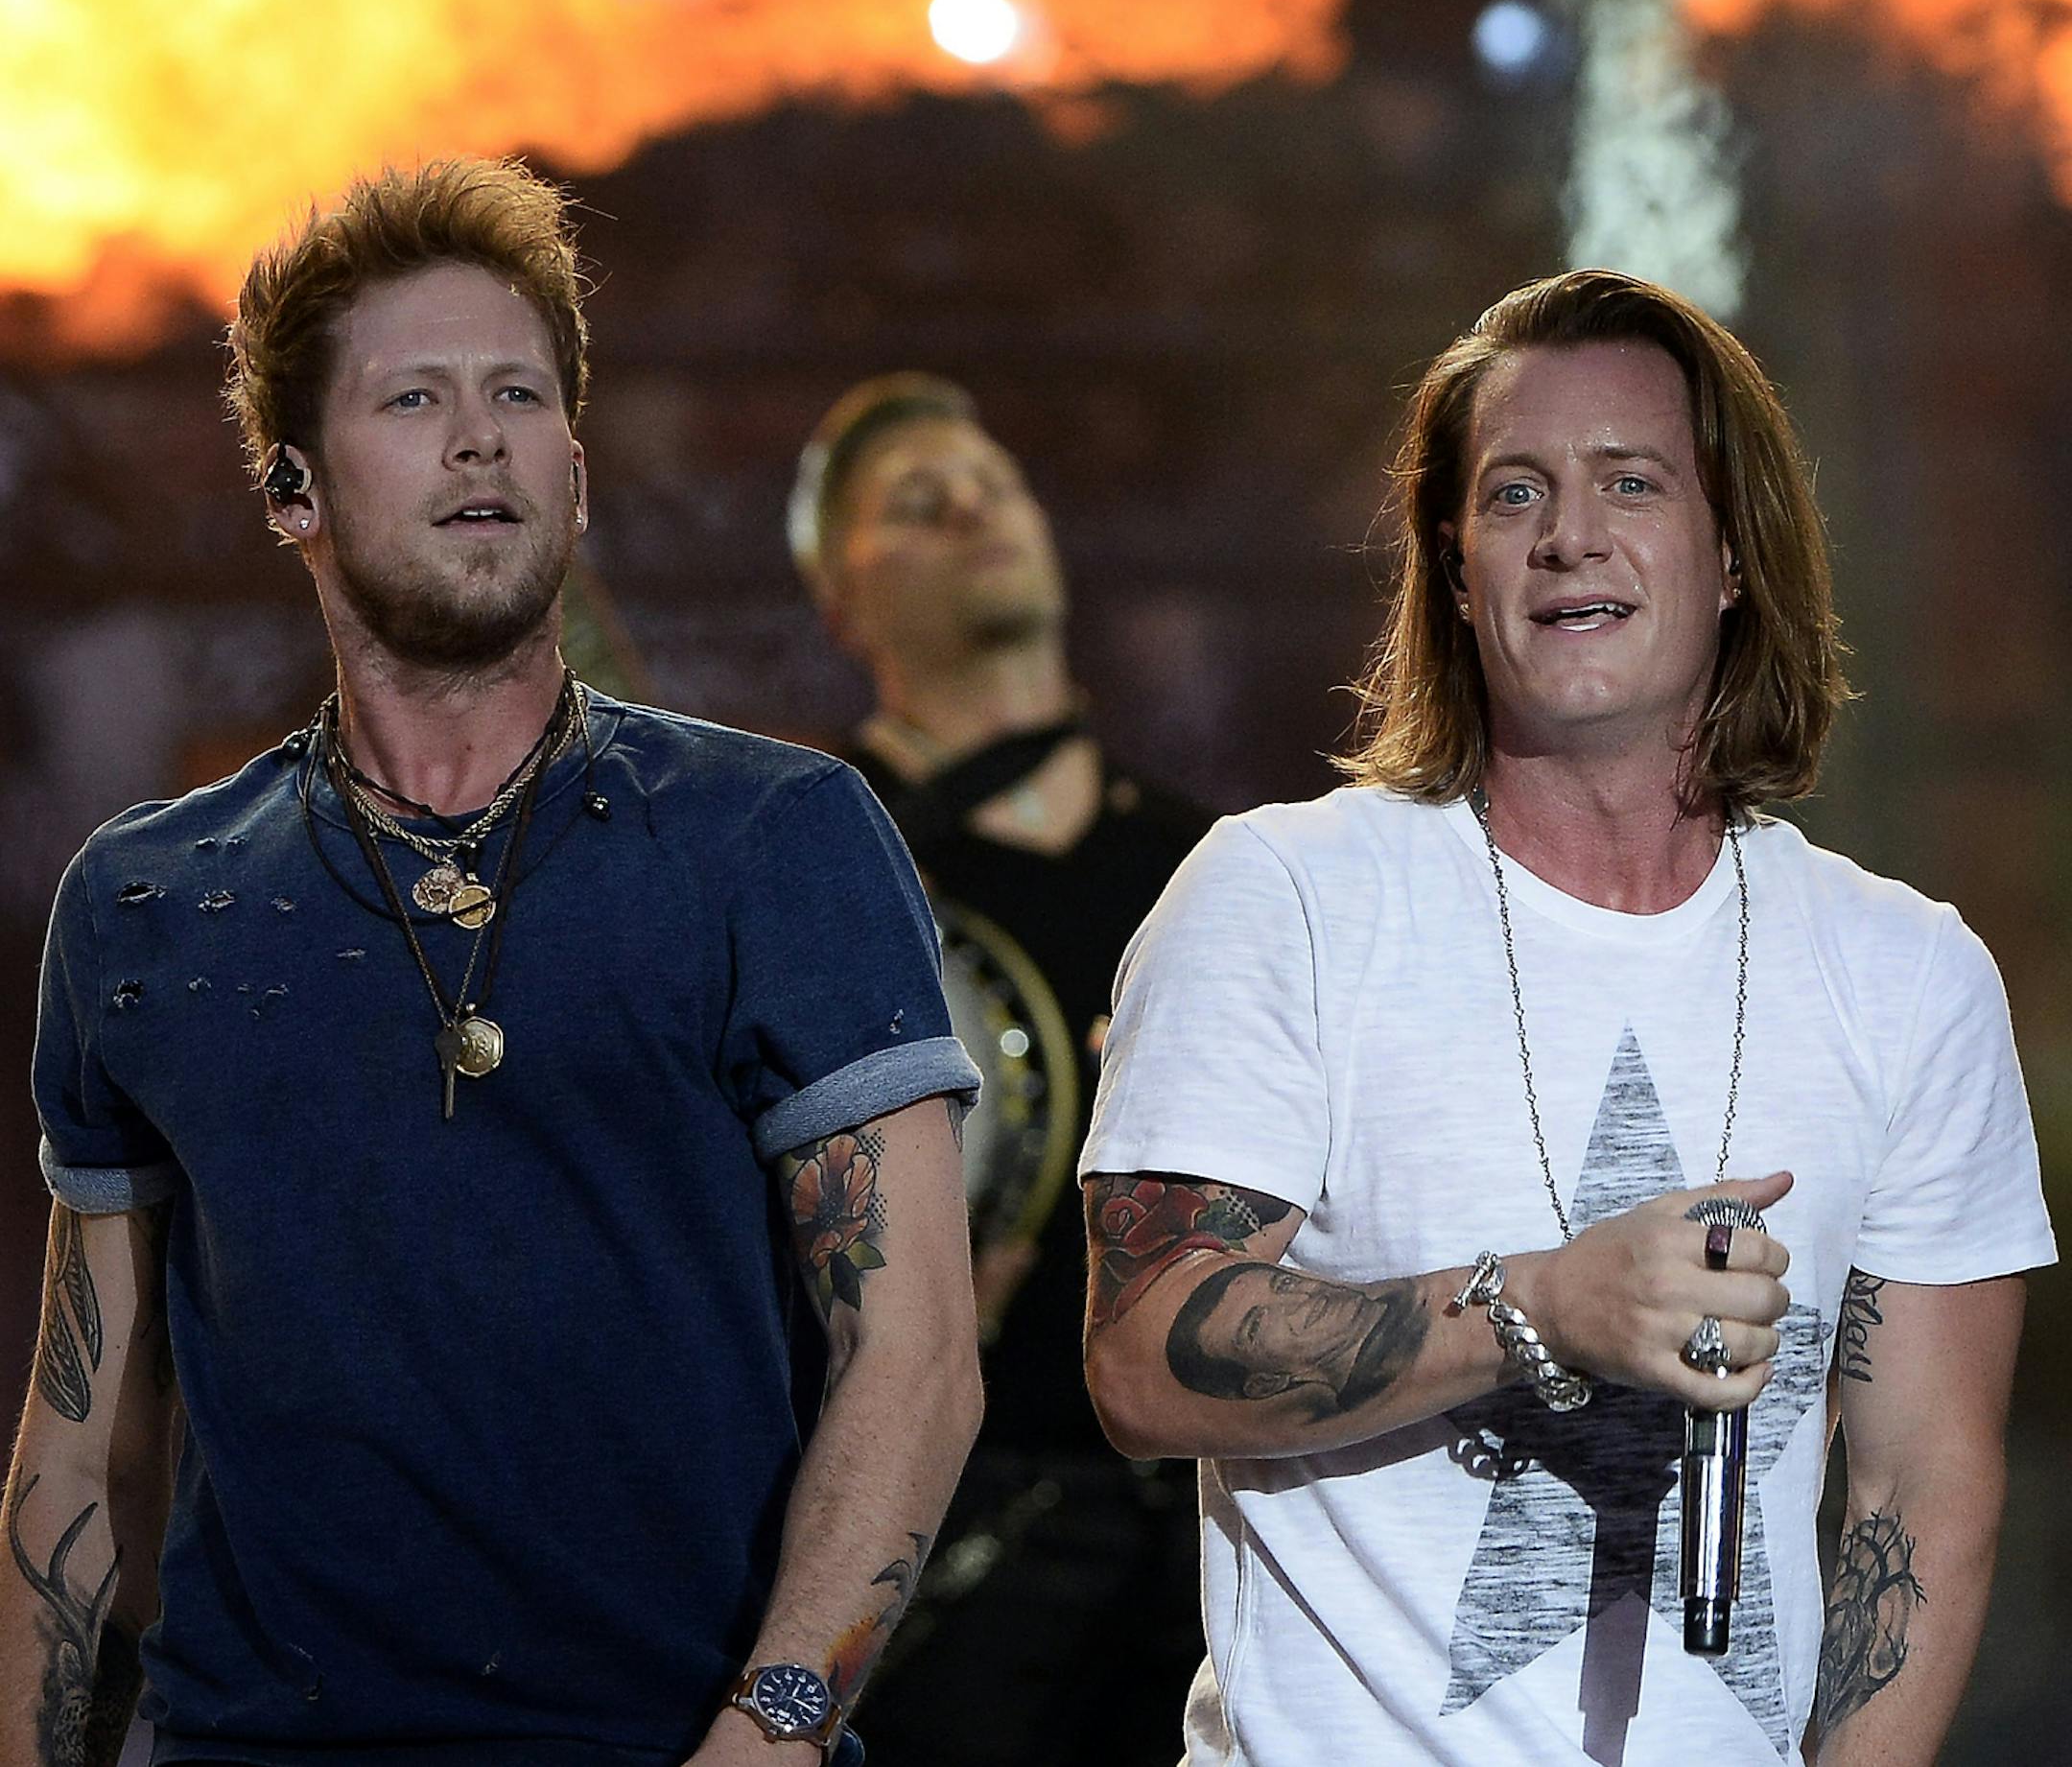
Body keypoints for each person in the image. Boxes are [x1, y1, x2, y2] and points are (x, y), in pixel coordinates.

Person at [3, 160, 984, 1767]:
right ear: (293, 491)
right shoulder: (146, 896)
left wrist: (773, 1729)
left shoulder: (775, 836)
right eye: (415, 398)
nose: (481, 437)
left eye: (519, 393)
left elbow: (918, 1352)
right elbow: (76, 1440)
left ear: (576, 478)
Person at [1080, 269, 2055, 1767]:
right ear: (1456, 564)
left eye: (1631, 481)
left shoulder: (1908, 970)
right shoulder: (1282, 895)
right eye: (1515, 490)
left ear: (1734, 555)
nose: (1569, 534)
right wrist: (1539, 1307)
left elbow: (1922, 1487)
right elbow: (1142, 1358)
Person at [789, 376, 1209, 1767]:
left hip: (1216, 1538)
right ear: (839, 599)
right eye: (919, 502)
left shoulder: (1212, 868)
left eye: (994, 484)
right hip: (951, 1556)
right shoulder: (803, 863)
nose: (974, 510)